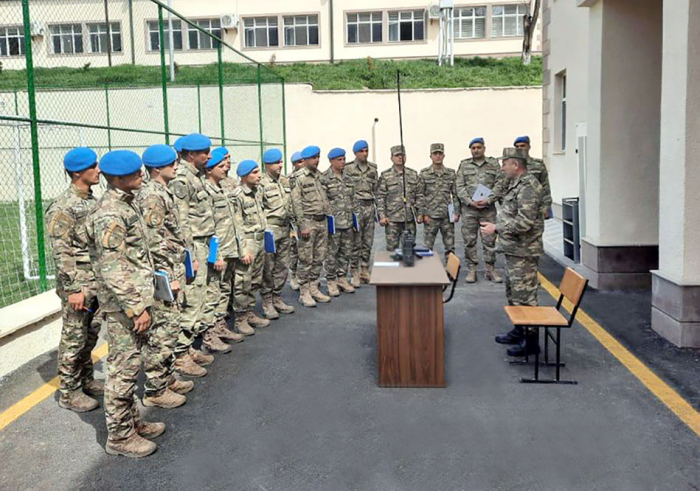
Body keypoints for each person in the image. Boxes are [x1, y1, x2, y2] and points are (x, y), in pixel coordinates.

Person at [86, 150, 164, 458]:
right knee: (122, 370)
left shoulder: (124, 204)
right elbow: (113, 267)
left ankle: (131, 423)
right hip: (124, 307)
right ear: (117, 179)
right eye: (134, 174)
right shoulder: (110, 213)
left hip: (135, 300)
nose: (141, 176)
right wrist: (135, 307)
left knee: (130, 367)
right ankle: (119, 437)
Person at [135, 144, 195, 410]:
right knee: (163, 332)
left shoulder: (162, 191)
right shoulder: (152, 196)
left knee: (170, 328)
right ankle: (155, 389)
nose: (176, 166)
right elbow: (155, 241)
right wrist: (168, 275)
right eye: (171, 164)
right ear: (157, 168)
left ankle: (167, 377)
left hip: (171, 268)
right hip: (162, 274)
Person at [46, 147, 103, 413]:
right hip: (78, 284)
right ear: (78, 172)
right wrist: (73, 289)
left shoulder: (92, 200)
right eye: (94, 167)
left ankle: (86, 379)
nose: (99, 170)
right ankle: (69, 391)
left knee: (90, 335)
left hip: (94, 281)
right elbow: (62, 250)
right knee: (74, 337)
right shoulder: (63, 206)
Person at [480, 148, 545, 358]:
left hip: (524, 252)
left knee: (525, 296)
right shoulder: (516, 184)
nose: (502, 167)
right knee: (514, 294)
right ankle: (519, 330)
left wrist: (496, 228)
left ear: (515, 165)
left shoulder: (529, 186)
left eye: (505, 163)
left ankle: (531, 341)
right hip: (514, 250)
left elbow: (524, 223)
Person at [170, 133, 226, 377]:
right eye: (205, 152)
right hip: (194, 248)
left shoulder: (197, 177)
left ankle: (189, 346)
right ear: (192, 155)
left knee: (202, 297)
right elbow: (182, 220)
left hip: (205, 244)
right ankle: (180, 354)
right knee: (191, 300)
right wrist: (189, 254)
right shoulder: (182, 179)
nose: (210, 156)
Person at [202, 148, 246, 344]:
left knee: (225, 289)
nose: (225, 169)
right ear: (209, 169)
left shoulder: (223, 188)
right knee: (213, 292)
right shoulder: (206, 191)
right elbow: (209, 228)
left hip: (230, 248)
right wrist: (215, 255)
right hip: (218, 251)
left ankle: (220, 326)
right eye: (220, 166)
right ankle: (210, 335)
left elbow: (235, 222)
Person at [455, 137, 505, 283]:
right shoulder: (464, 165)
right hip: (469, 210)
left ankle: (490, 269)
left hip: (487, 209)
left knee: (489, 240)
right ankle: (472, 269)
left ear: (484, 148)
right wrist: (469, 202)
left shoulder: (493, 164)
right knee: (469, 240)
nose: (476, 150)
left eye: (478, 147)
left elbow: (500, 184)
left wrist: (489, 200)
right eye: (473, 148)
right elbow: (459, 186)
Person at [230, 159, 271, 334]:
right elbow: (237, 224)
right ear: (244, 176)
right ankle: (240, 318)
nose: (259, 175)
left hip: (259, 239)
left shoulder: (257, 191)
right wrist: (243, 249)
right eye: (254, 172)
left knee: (255, 279)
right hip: (247, 242)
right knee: (243, 281)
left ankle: (249, 312)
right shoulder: (237, 195)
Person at [290, 145, 332, 307]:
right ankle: (304, 291)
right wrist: (302, 225)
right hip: (308, 222)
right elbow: (296, 202)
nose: (317, 160)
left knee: (319, 257)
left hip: (322, 221)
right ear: (305, 160)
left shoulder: (319, 176)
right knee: (305, 258)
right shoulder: (298, 178)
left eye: (318, 157)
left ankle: (314, 287)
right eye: (314, 158)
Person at [260, 148, 296, 319]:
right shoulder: (260, 183)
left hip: (285, 228)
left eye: (281, 162)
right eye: (276, 163)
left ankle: (277, 297)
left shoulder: (284, 181)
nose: (280, 165)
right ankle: (267, 301)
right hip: (270, 229)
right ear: (267, 164)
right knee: (269, 267)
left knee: (283, 265)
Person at [320, 148, 356, 297]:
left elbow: (353, 198)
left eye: (344, 159)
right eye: (339, 160)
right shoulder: (324, 178)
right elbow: (323, 201)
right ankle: (331, 280)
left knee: (346, 252)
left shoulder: (348, 177)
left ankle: (342, 278)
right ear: (331, 161)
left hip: (347, 221)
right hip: (333, 224)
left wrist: (355, 218)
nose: (343, 162)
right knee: (331, 253)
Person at [344, 140, 378, 286]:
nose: (364, 154)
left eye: (366, 151)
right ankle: (354, 272)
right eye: (361, 151)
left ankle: (365, 269)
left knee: (368, 240)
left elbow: (376, 188)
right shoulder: (349, 169)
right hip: (356, 208)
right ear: (355, 153)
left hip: (369, 206)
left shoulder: (373, 169)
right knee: (355, 241)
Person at [376, 145, 422, 251]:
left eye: (402, 155)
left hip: (409, 219)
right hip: (392, 220)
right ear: (391, 158)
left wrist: (420, 213)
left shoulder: (413, 175)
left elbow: (419, 195)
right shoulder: (385, 176)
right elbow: (380, 197)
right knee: (392, 250)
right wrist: (382, 216)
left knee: (409, 248)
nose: (400, 158)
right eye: (397, 155)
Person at [418, 143, 460, 258]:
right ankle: (427, 271)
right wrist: (423, 214)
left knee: (450, 247)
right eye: (435, 154)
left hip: (447, 215)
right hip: (430, 216)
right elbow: (420, 195)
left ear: (444, 155)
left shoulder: (451, 174)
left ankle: (451, 274)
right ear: (430, 156)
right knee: (427, 247)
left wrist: (456, 212)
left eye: (440, 154)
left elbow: (455, 194)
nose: (437, 156)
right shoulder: (424, 174)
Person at [513, 135, 552, 221]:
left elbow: (545, 187)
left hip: (535, 209)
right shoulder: (511, 166)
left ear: (529, 147)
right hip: (516, 210)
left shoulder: (538, 165)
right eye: (517, 146)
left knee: (535, 234)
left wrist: (546, 207)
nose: (520, 148)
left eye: (522, 146)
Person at [288, 151, 305, 292]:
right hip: (293, 221)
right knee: (294, 250)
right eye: (299, 162)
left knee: (307, 251)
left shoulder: (310, 177)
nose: (302, 164)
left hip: (307, 218)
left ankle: (306, 277)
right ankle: (293, 275)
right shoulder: (288, 179)